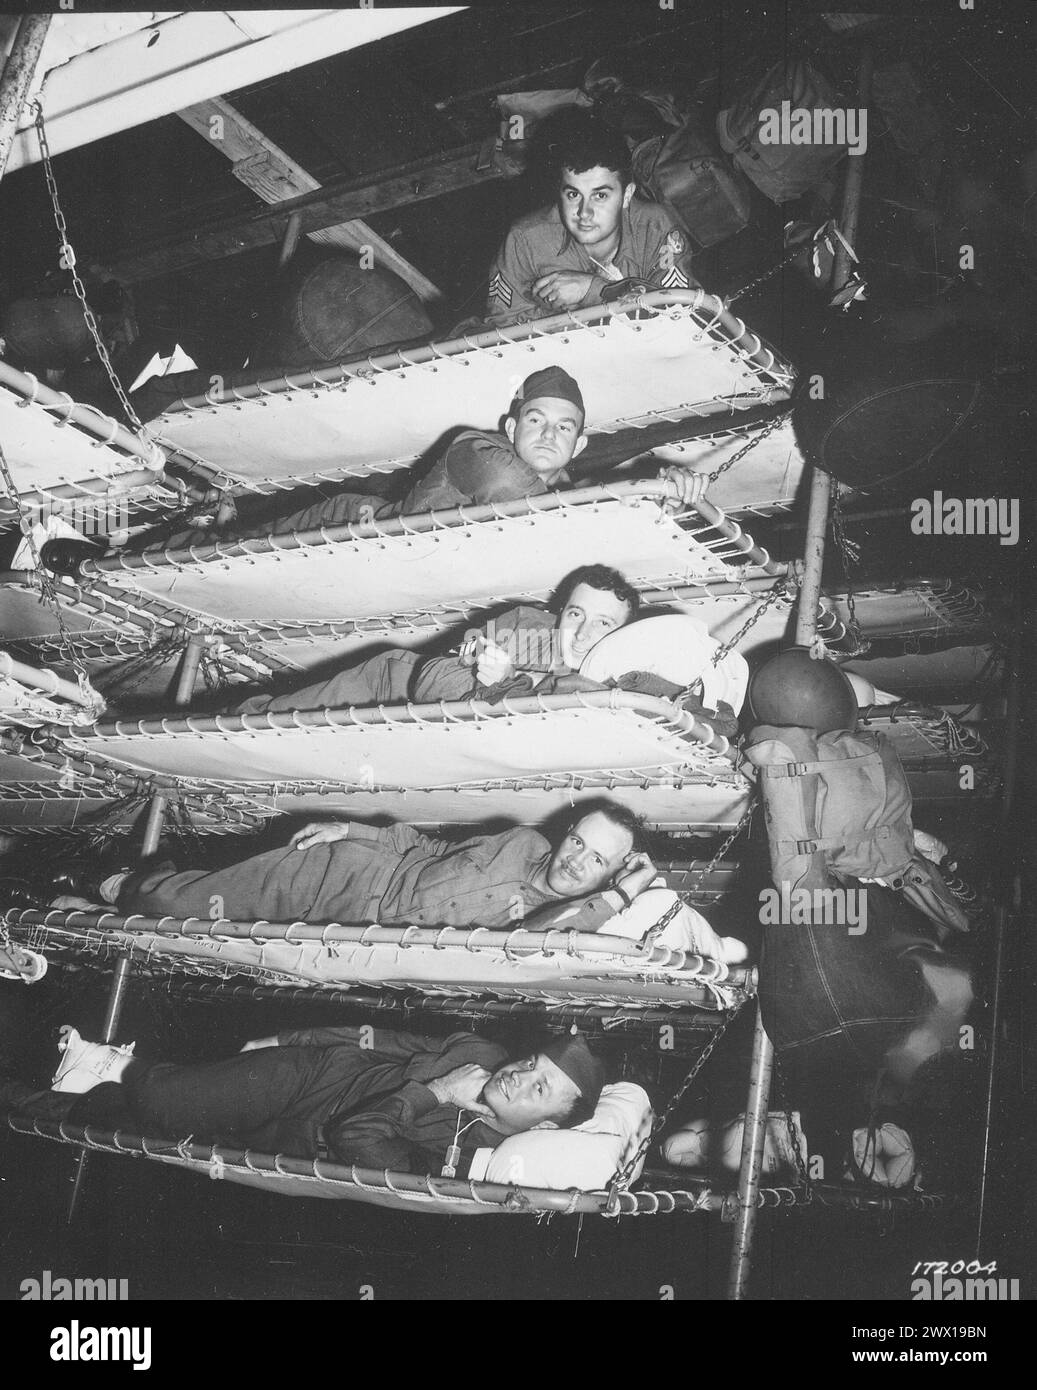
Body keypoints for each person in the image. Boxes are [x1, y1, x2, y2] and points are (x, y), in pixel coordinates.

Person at [2, 1024, 605, 1176]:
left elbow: (357, 1140)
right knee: (163, 1103)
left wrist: (438, 1093)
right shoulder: (478, 1047)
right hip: (311, 1075)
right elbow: (377, 1039)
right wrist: (290, 1036)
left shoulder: (470, 1160)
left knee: (120, 1123)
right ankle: (116, 1061)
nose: (519, 1076)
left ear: (548, 1125)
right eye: (530, 1064)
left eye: (539, 1088)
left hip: (288, 1139)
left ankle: (87, 1081)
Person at [63, 799, 661, 934]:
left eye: (598, 860)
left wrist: (626, 895)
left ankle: (128, 880)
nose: (578, 860)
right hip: (351, 869)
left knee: (209, 918)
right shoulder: (523, 838)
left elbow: (539, 941)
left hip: (356, 922)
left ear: (610, 874)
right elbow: (427, 848)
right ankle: (112, 880)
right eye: (579, 842)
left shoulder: (554, 920)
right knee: (182, 906)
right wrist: (348, 828)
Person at [231, 562, 640, 715]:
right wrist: (500, 672)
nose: (583, 632)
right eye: (575, 614)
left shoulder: (613, 678)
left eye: (604, 623)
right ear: (559, 614)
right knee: (271, 719)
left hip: (419, 723)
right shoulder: (530, 625)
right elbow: (445, 681)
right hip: (392, 681)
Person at [483, 114, 701, 328]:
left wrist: (594, 290)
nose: (584, 212)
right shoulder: (525, 240)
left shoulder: (654, 228)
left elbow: (681, 317)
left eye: (600, 196)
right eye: (573, 194)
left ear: (626, 196)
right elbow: (502, 325)